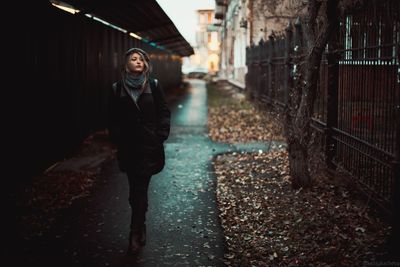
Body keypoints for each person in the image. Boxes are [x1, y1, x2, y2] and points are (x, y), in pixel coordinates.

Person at [107, 47, 171, 255]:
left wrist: (160, 134)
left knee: (139, 189)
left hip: (149, 147)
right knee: (136, 191)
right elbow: (111, 116)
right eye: (134, 59)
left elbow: (163, 111)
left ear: (145, 64)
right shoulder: (117, 88)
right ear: (126, 64)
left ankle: (135, 232)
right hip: (129, 148)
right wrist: (117, 137)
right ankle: (139, 224)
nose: (138, 61)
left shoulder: (153, 85)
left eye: (141, 59)